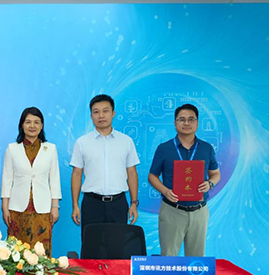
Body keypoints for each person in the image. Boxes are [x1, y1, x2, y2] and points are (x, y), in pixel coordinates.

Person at [70, 94, 140, 255]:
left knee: (117, 249)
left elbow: (132, 172)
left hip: (118, 203)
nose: (101, 115)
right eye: (96, 112)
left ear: (113, 113)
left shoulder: (126, 141)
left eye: (105, 111)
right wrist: (75, 205)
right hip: (91, 203)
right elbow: (77, 174)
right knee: (90, 249)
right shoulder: (82, 142)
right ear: (91, 116)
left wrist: (134, 203)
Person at [148, 103, 220, 256]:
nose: (186, 123)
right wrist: (165, 191)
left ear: (197, 123)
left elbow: (215, 174)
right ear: (175, 123)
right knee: (168, 257)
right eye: (182, 119)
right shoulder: (164, 148)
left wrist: (210, 183)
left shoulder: (206, 148)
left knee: (196, 260)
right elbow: (152, 176)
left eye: (191, 119)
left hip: (199, 211)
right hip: (172, 210)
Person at [1, 107, 61, 255]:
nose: (32, 126)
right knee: (17, 252)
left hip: (43, 208)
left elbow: (54, 179)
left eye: (36, 122)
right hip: (17, 208)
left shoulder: (50, 149)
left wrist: (55, 206)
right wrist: (5, 206)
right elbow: (7, 179)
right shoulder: (12, 149)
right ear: (22, 125)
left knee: (41, 252)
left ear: (41, 126)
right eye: (28, 122)